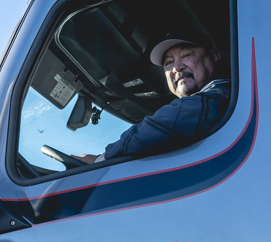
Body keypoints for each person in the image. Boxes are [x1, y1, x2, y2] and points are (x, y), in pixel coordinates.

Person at [76, 29, 231, 164]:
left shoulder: (222, 92)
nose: (176, 67)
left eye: (186, 55)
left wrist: (101, 159)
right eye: (168, 63)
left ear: (215, 57)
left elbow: (158, 127)